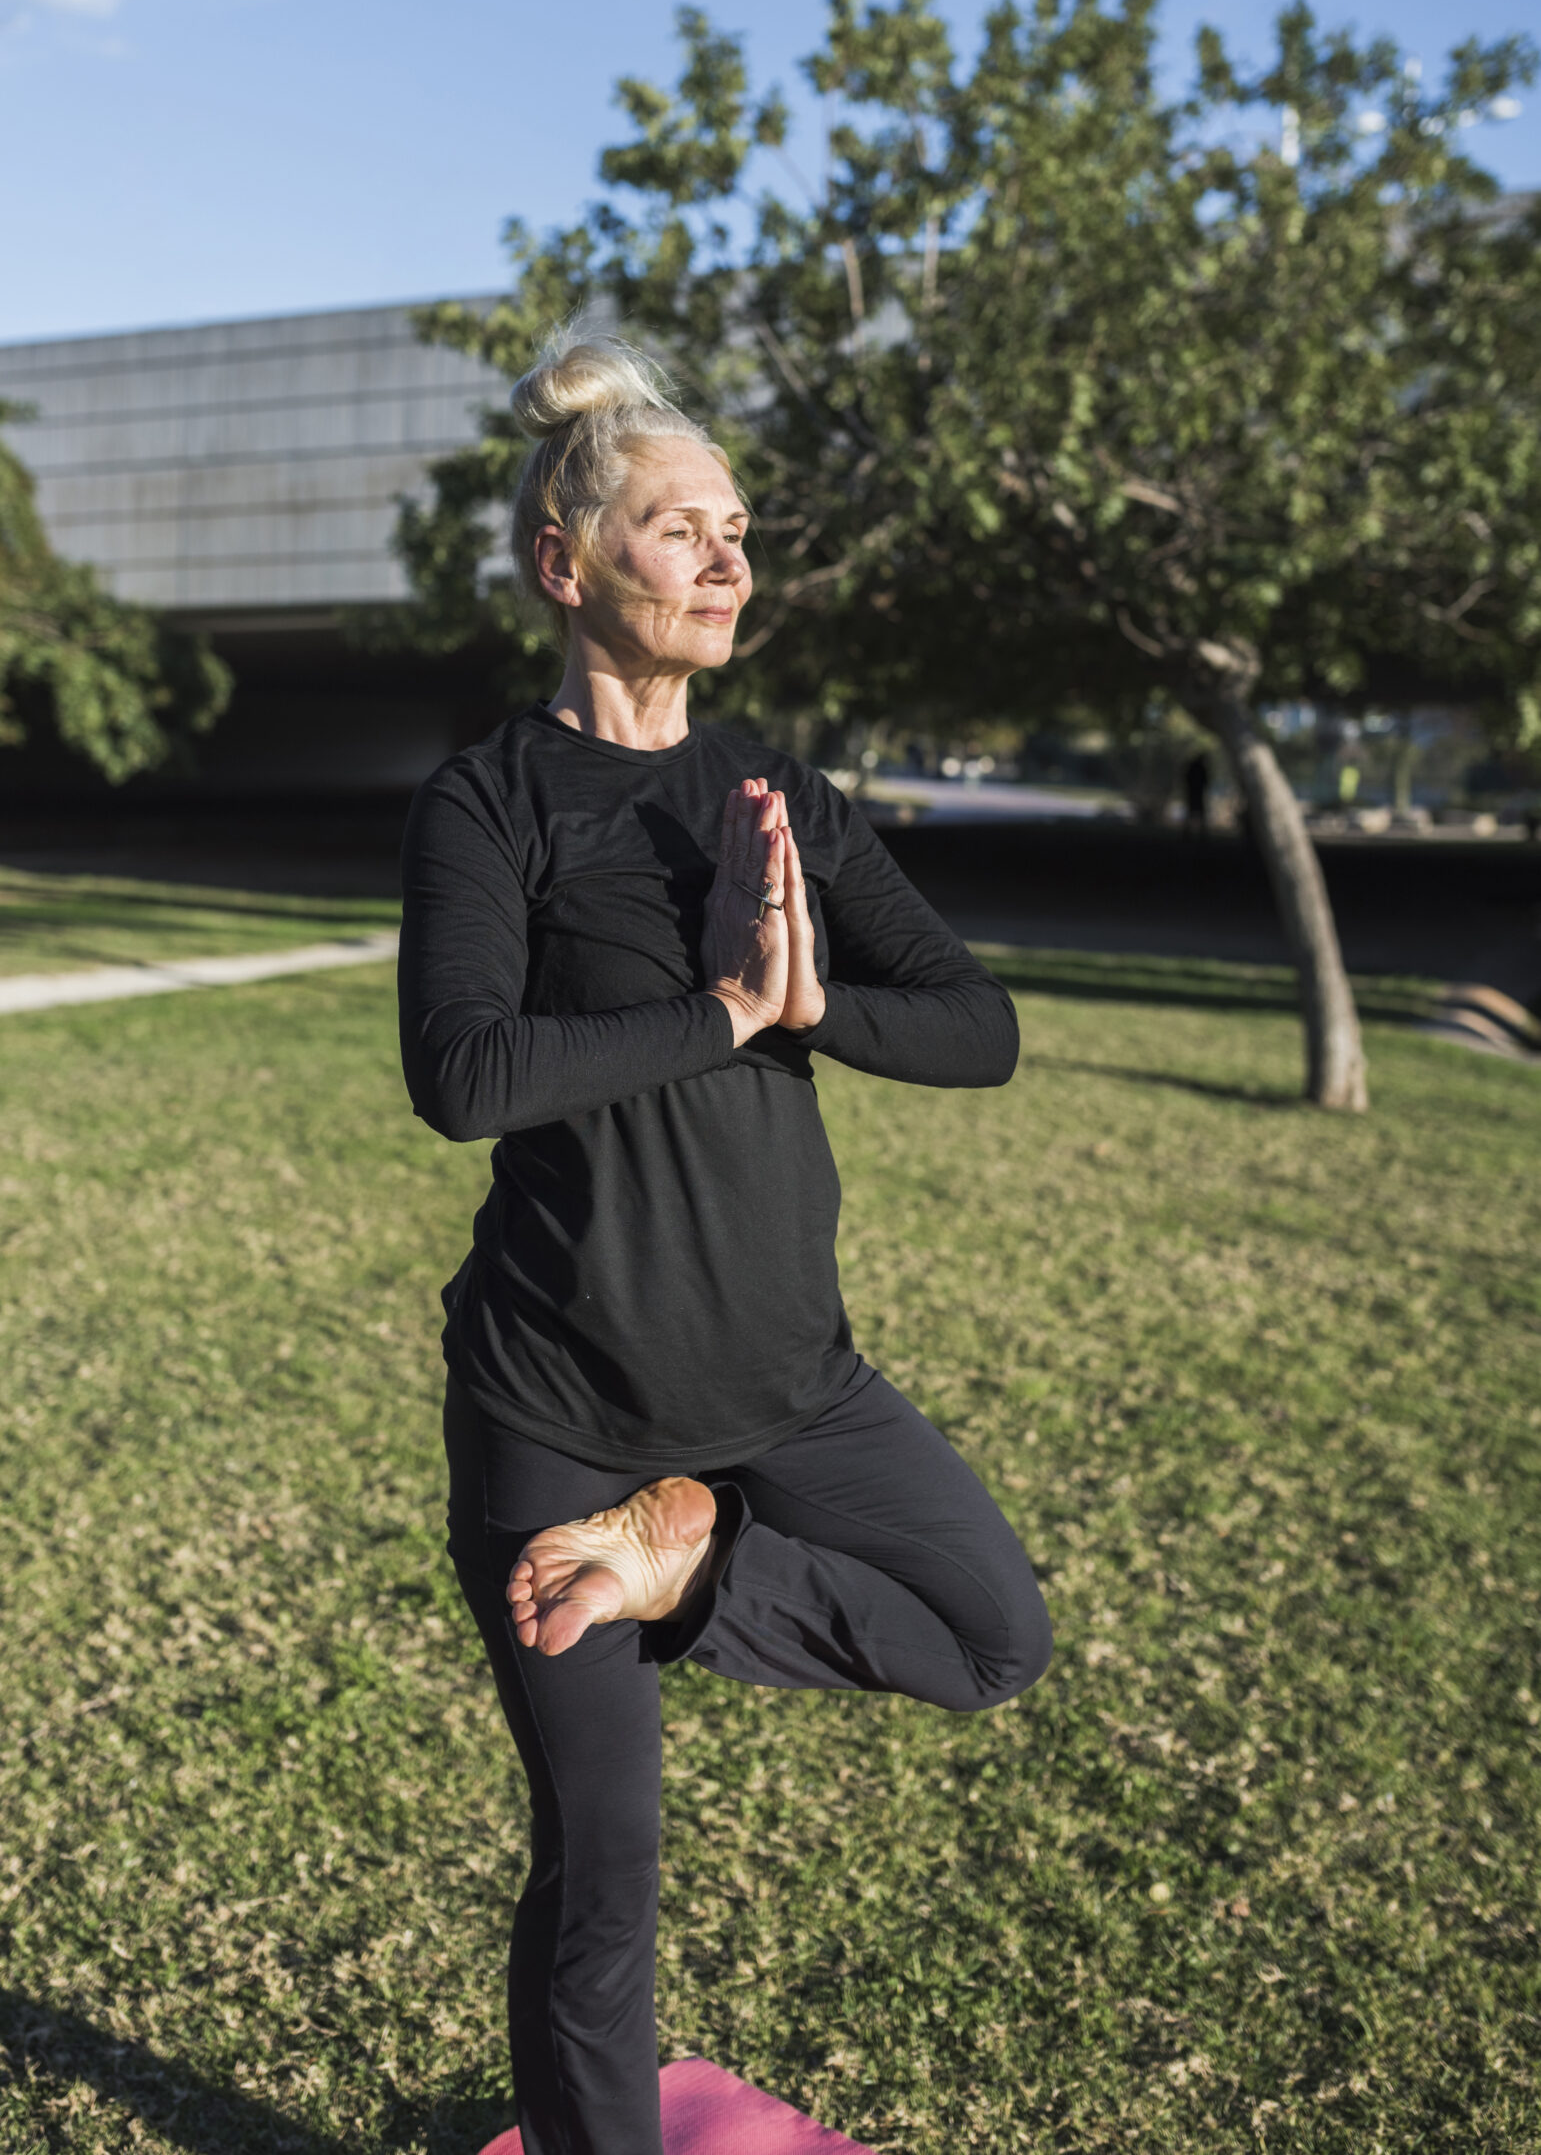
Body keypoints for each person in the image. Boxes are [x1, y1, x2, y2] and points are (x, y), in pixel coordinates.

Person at [398, 339, 1050, 2155]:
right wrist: (724, 1008)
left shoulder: (782, 798)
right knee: (603, 1872)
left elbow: (977, 1027)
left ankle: (692, 1567)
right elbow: (459, 1074)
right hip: (560, 1409)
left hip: (788, 1391)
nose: (722, 559)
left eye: (737, 530)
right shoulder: (492, 801)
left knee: (991, 1643)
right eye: (676, 528)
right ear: (564, 561)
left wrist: (813, 1003)